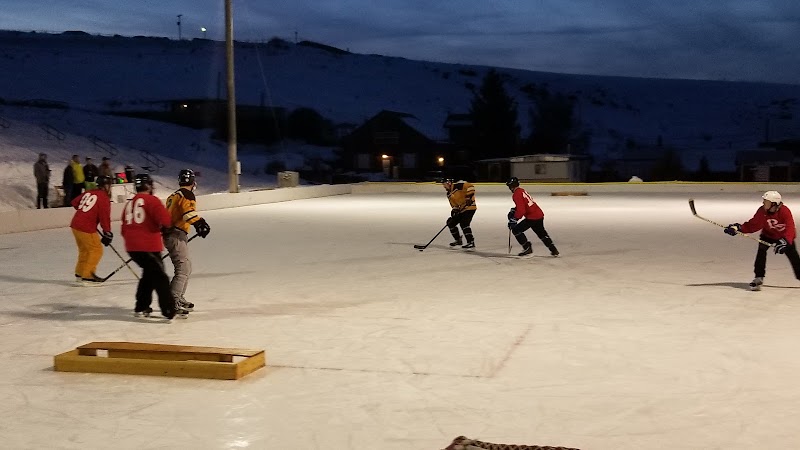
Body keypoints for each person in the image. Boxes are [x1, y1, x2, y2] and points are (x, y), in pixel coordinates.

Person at [121, 174, 182, 320]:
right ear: (148, 186)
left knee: (148, 275)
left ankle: (141, 306)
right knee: (160, 278)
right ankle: (169, 310)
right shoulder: (151, 200)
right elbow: (165, 220)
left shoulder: (129, 203)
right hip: (148, 246)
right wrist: (168, 229)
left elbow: (124, 228)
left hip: (132, 247)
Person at [724, 191, 800, 291]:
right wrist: (738, 228)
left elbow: (790, 228)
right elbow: (753, 224)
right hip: (767, 235)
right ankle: (758, 278)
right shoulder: (762, 211)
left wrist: (786, 241)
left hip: (783, 237)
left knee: (794, 257)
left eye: (766, 201)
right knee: (761, 253)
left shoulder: (784, 211)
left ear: (774, 203)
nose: (763, 203)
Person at [164, 169, 211, 313]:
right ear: (192, 181)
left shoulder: (173, 195)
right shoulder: (187, 194)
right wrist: (200, 223)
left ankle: (179, 296)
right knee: (183, 268)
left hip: (171, 234)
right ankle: (173, 300)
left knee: (186, 266)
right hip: (176, 234)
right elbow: (188, 213)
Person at [70, 175, 114, 285]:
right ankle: (88, 275)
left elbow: (75, 202)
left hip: (75, 224)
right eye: (109, 185)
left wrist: (85, 213)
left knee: (85, 250)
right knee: (96, 250)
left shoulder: (89, 192)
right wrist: (107, 232)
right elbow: (104, 217)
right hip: (86, 227)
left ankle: (80, 273)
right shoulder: (104, 197)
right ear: (106, 186)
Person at [506, 177, 560, 257]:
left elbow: (522, 210)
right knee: (541, 233)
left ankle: (527, 247)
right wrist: (515, 210)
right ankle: (553, 249)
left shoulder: (516, 194)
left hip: (532, 217)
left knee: (516, 230)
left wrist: (514, 219)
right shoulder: (521, 190)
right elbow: (525, 204)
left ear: (511, 186)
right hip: (538, 214)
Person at [442, 178, 477, 249]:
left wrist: (468, 197)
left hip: (470, 208)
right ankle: (458, 240)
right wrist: (455, 210)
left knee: (464, 223)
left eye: (444, 184)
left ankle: (471, 242)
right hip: (462, 210)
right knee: (450, 223)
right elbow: (454, 205)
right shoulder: (449, 194)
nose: (444, 187)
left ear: (449, 183)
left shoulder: (459, 186)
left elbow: (471, 186)